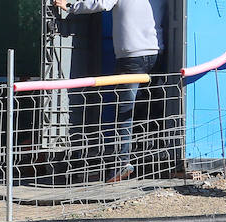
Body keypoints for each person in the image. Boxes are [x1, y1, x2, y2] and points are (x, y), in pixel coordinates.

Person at [53, 0, 168, 183]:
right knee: (151, 110)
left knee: (124, 113)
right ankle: (157, 159)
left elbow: (100, 3)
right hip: (157, 54)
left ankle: (122, 163)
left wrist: (69, 5)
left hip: (131, 57)